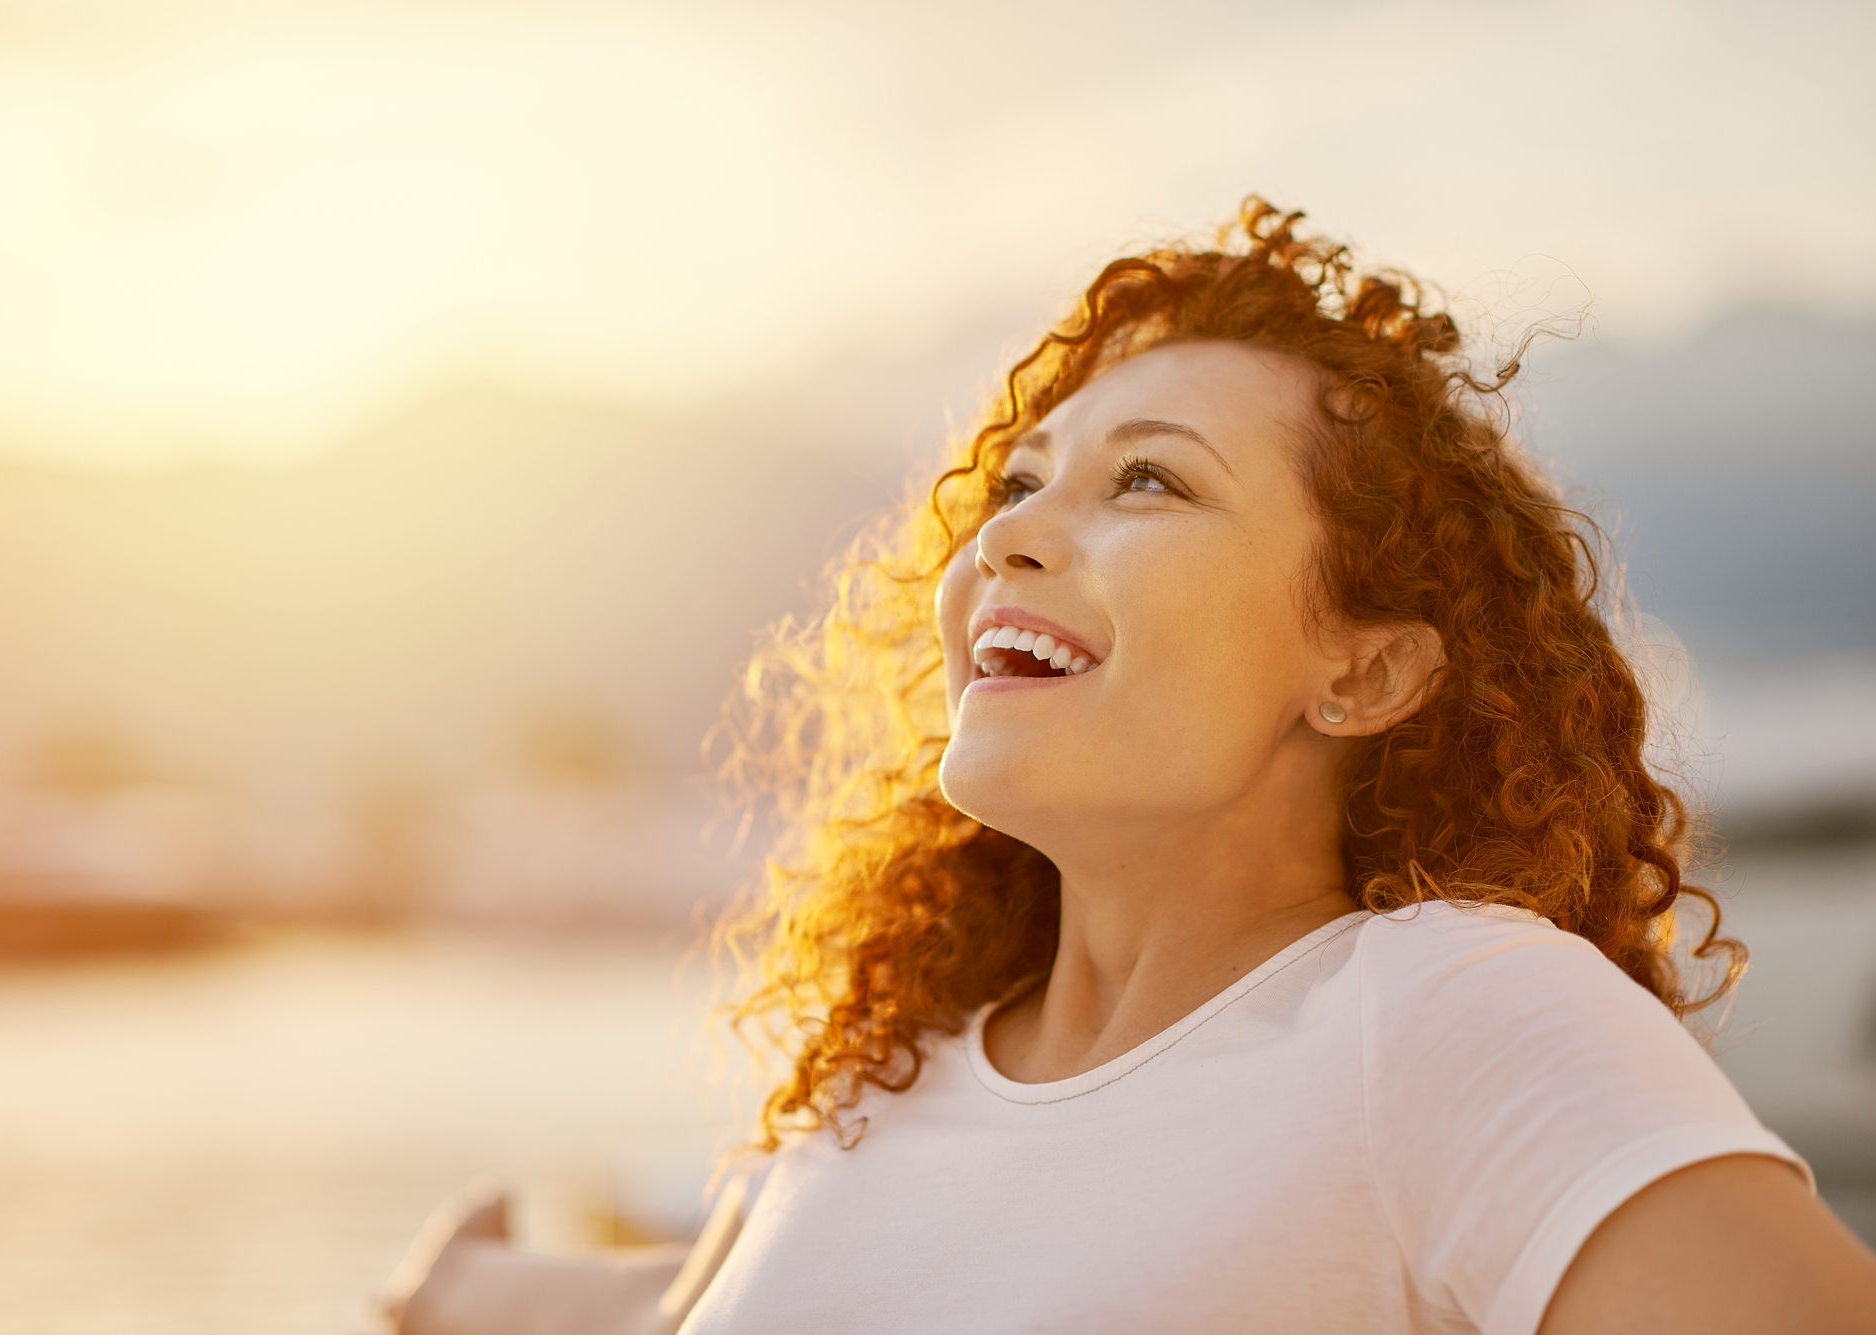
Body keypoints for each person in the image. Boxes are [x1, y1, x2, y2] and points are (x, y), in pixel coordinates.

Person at [384, 201, 1876, 1334]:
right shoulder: (871, 1090)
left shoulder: (1432, 1012)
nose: (1009, 536)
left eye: (1148, 479)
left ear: (1362, 669)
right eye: (1020, 484)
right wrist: (473, 1294)